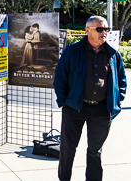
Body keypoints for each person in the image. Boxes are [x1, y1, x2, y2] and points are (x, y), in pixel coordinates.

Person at [54, 16, 127, 181]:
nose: (104, 33)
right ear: (87, 30)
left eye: (106, 29)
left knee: (95, 151)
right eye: (100, 29)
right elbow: (59, 78)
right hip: (74, 108)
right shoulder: (72, 51)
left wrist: (116, 102)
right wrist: (63, 103)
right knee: (68, 148)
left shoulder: (113, 54)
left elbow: (122, 82)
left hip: (102, 111)